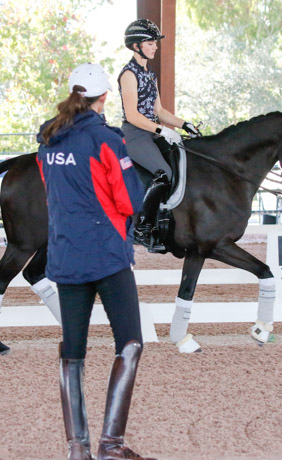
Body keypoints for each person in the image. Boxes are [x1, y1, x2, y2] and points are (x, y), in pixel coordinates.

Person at [37, 62, 155, 460]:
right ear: (103, 98)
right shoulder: (107, 139)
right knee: (130, 343)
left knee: (72, 352)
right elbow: (129, 199)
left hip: (66, 256)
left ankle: (77, 448)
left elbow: (51, 192)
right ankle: (111, 444)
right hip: (106, 256)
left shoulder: (48, 140)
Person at [119, 18, 201, 251]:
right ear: (136, 46)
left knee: (181, 161)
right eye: (150, 42)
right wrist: (162, 130)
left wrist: (185, 124)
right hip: (135, 134)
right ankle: (142, 229)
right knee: (163, 173)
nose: (155, 46)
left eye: (155, 42)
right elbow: (133, 115)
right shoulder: (128, 74)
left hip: (152, 132)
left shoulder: (150, 75)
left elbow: (159, 111)